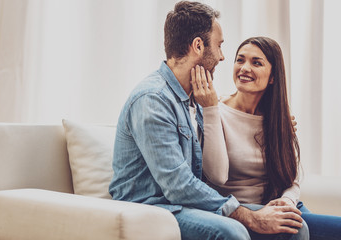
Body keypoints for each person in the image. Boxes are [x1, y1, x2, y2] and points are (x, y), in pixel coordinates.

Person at [109, 2, 308, 239]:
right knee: (232, 231)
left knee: (292, 228)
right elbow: (178, 185)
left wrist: (277, 124)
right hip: (154, 207)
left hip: (185, 205)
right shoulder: (153, 99)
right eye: (219, 45)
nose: (223, 57)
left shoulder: (194, 99)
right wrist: (248, 215)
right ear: (198, 46)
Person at [193, 36, 341, 240]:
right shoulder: (213, 111)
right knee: (295, 231)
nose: (244, 67)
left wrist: (287, 201)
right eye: (240, 60)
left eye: (256, 62)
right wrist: (210, 110)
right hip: (240, 209)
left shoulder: (278, 117)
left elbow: (292, 177)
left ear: (273, 77)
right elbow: (216, 176)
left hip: (277, 202)